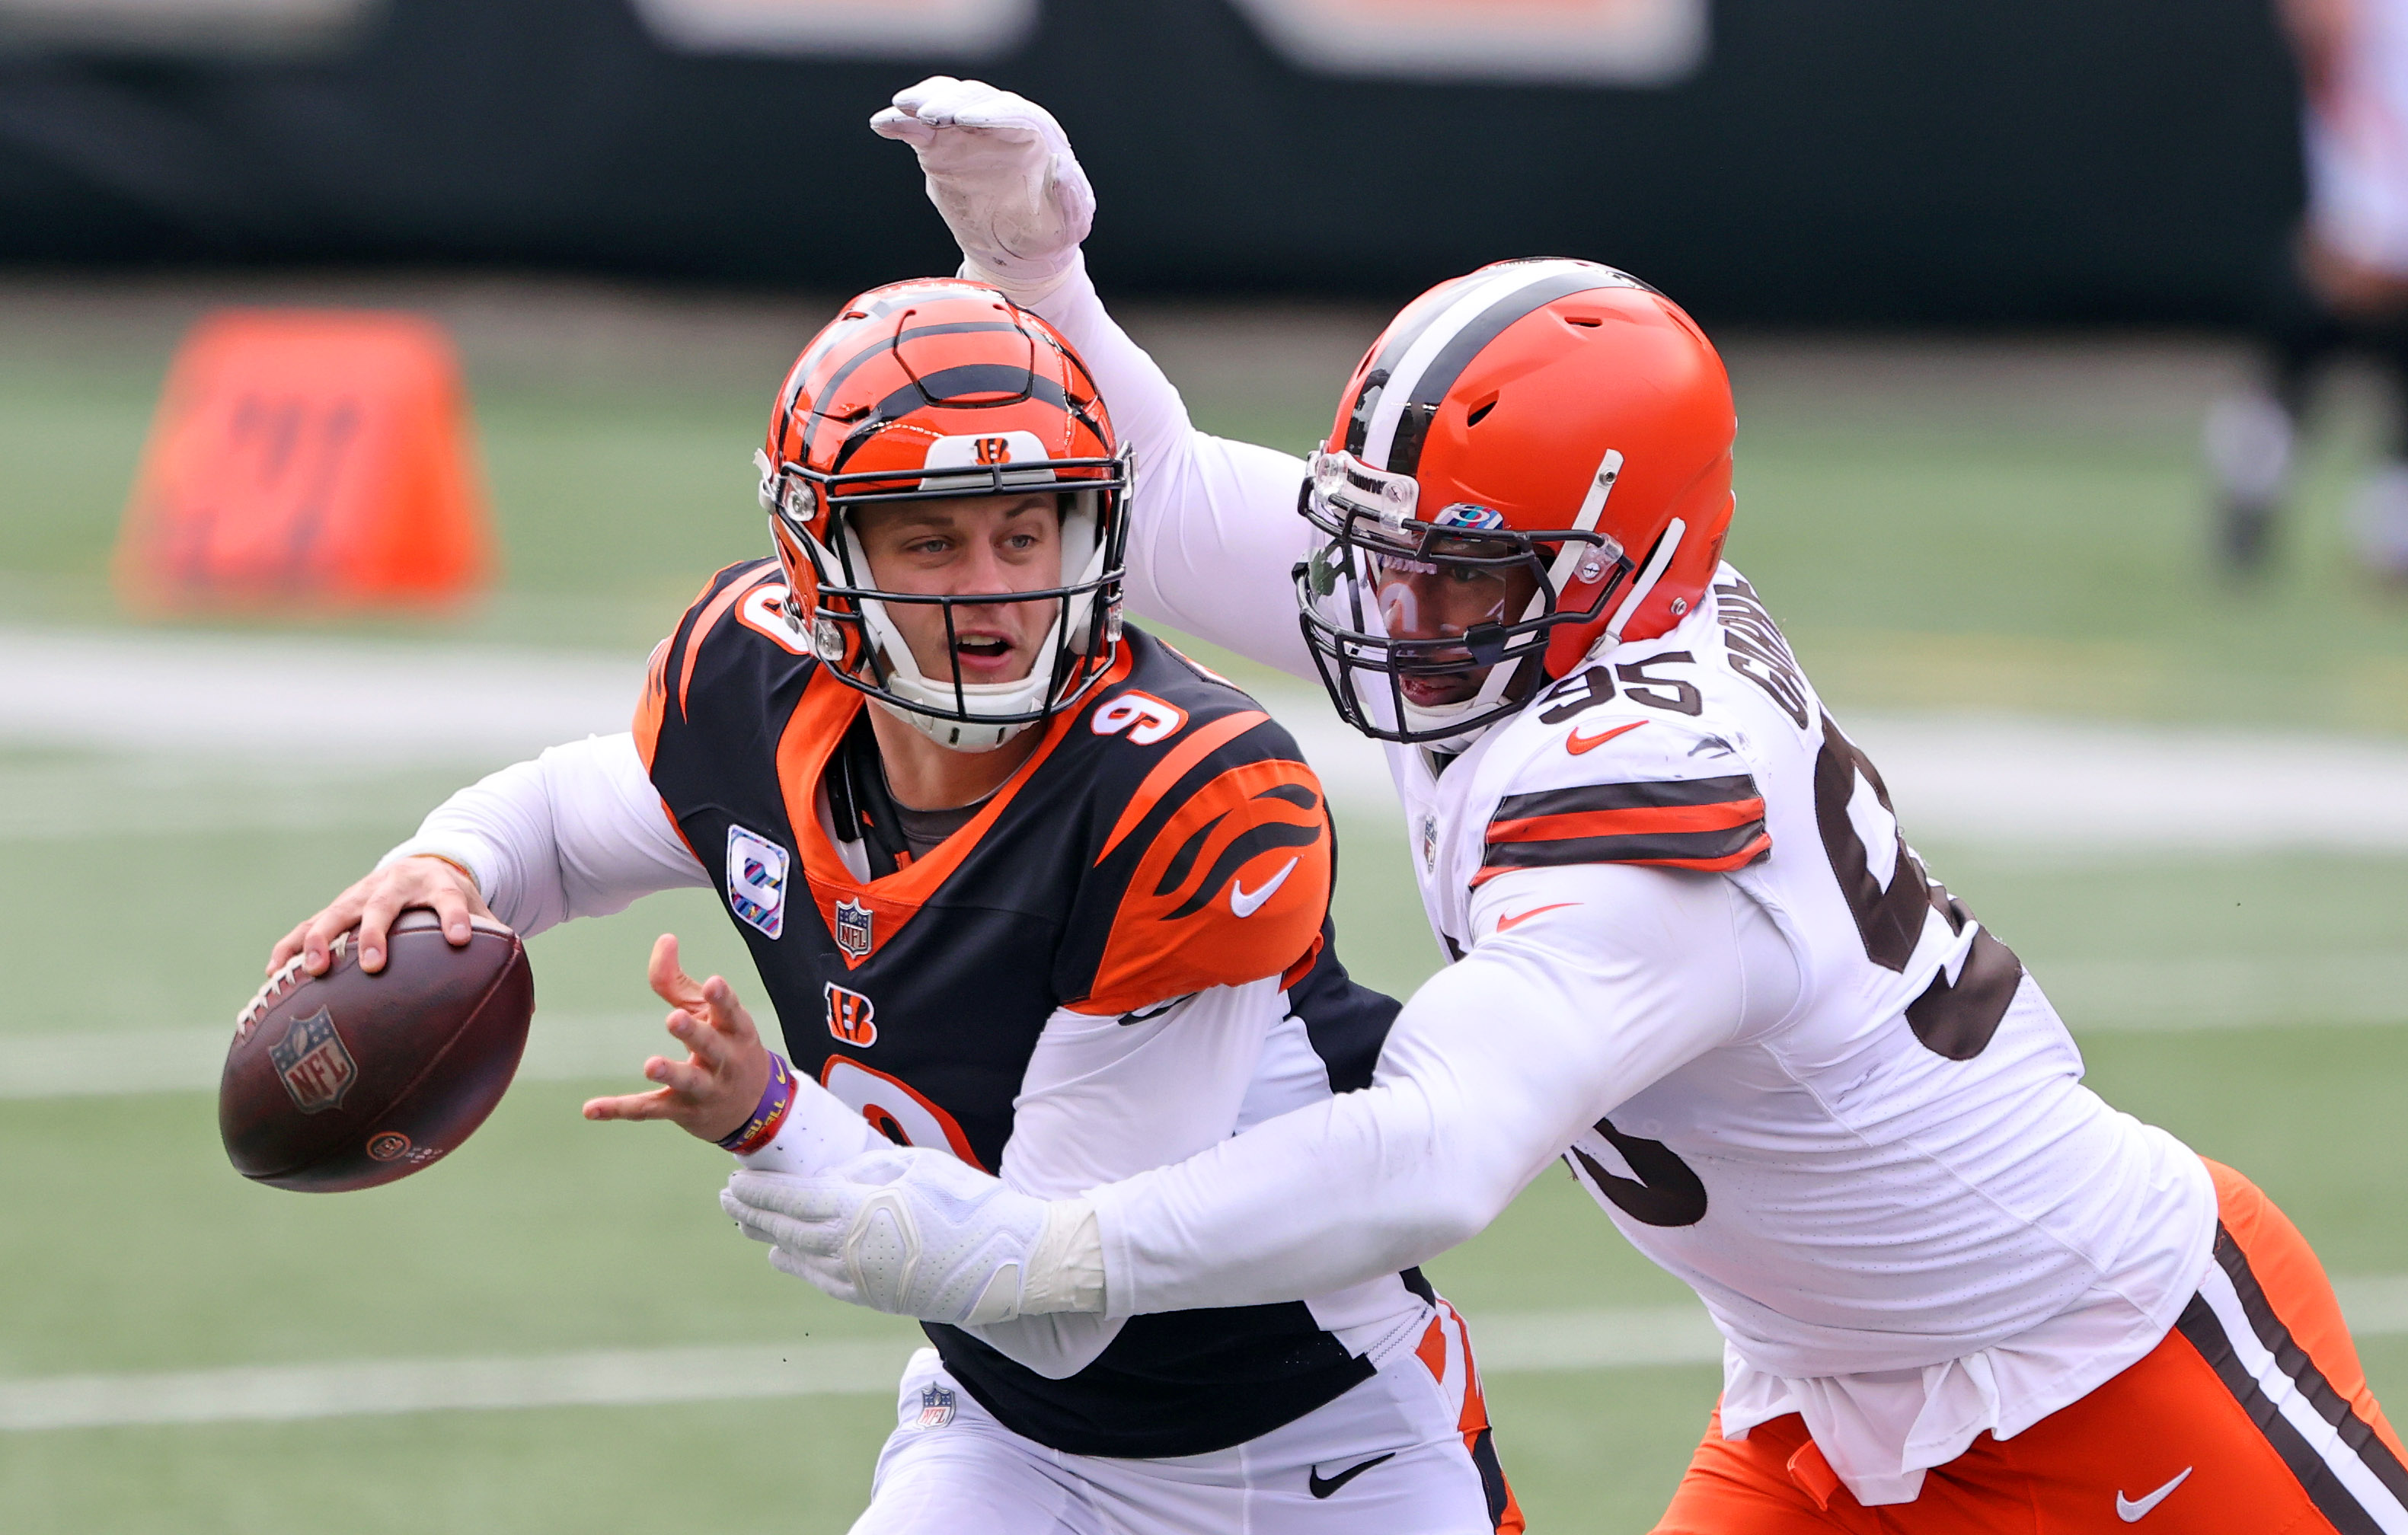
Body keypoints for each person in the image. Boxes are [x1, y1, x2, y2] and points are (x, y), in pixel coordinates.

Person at [725, 78, 2408, 1533]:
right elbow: (1160, 495)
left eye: (1458, 578)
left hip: (2104, 1369)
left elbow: (1441, 1152)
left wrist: (1047, 1250)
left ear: (1613, 576)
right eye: (1395, 548)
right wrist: (1036, 271)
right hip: (1818, 1408)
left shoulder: (1651, 788)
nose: (1391, 609)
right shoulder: (1505, 588)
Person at [267, 282, 1521, 1534]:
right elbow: (563, 820)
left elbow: (1062, 1298)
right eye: (933, 542)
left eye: (1024, 534)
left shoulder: (1179, 792)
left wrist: (770, 1116)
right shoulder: (757, 683)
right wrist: (450, 867)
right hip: (1009, 1441)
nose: (989, 589)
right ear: (823, 556)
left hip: (1321, 1447)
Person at [2208, 0, 2408, 574]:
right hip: (2348, 235)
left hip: (2359, 239)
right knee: (2282, 389)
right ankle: (2253, 498)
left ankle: (2391, 536)